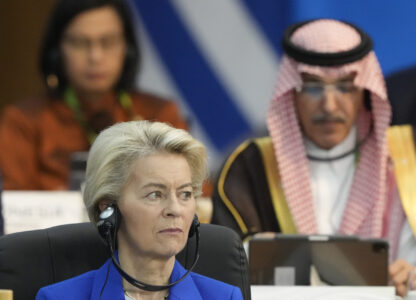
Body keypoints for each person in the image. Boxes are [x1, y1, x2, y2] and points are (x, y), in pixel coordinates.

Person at [210, 19, 416, 296]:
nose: (330, 106)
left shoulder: (404, 157)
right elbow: (218, 270)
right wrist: (257, 255)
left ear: (365, 91)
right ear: (291, 93)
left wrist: (407, 274)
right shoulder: (251, 167)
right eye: (313, 88)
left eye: (345, 87)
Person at [36, 120, 243, 300]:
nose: (175, 209)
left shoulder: (224, 297)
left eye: (185, 194)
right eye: (155, 194)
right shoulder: (57, 298)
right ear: (109, 207)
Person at [0, 0, 187, 190]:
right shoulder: (23, 121)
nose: (95, 56)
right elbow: (13, 205)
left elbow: (195, 194)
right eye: (80, 43)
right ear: (56, 52)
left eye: (107, 42)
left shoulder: (160, 115)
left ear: (127, 50)